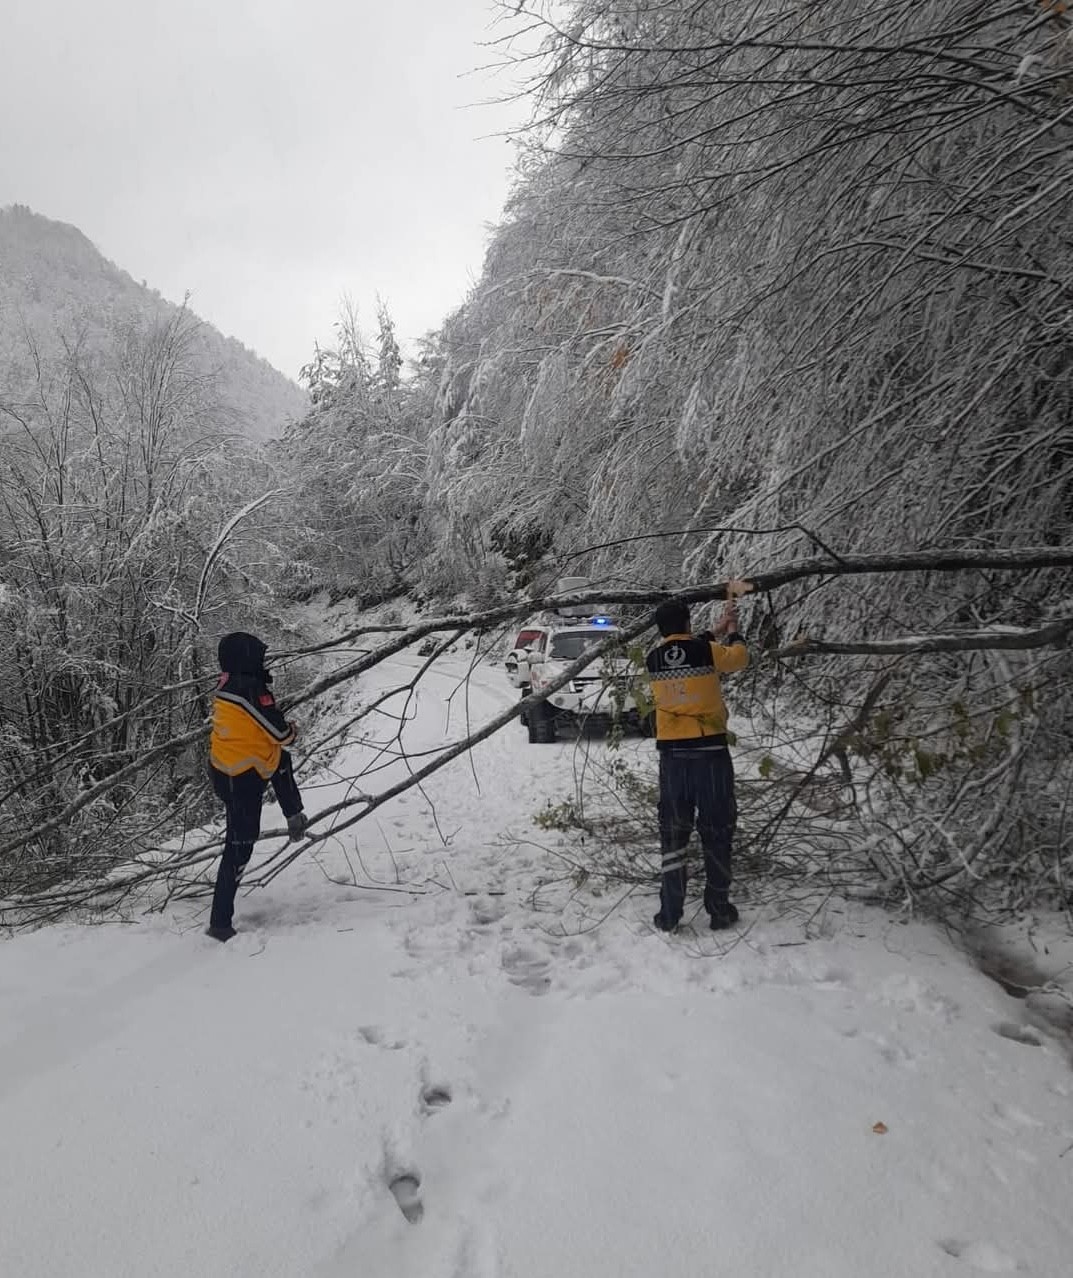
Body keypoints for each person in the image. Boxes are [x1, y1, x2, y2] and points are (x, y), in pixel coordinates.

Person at [645, 588, 749, 932]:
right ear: (688, 623)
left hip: (673, 759)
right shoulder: (706, 650)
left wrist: (713, 630)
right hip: (710, 756)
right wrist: (732, 631)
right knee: (717, 830)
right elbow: (738, 659)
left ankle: (670, 913)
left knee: (673, 832)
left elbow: (683, 650)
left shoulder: (653, 658)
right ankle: (718, 908)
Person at [206, 631, 308, 941]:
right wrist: (291, 729)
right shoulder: (248, 689)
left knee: (282, 762)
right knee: (239, 847)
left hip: (227, 766)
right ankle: (220, 923)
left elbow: (260, 731)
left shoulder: (229, 683)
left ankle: (294, 815)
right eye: (259, 656)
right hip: (240, 776)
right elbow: (278, 733)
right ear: (248, 659)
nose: (263, 661)